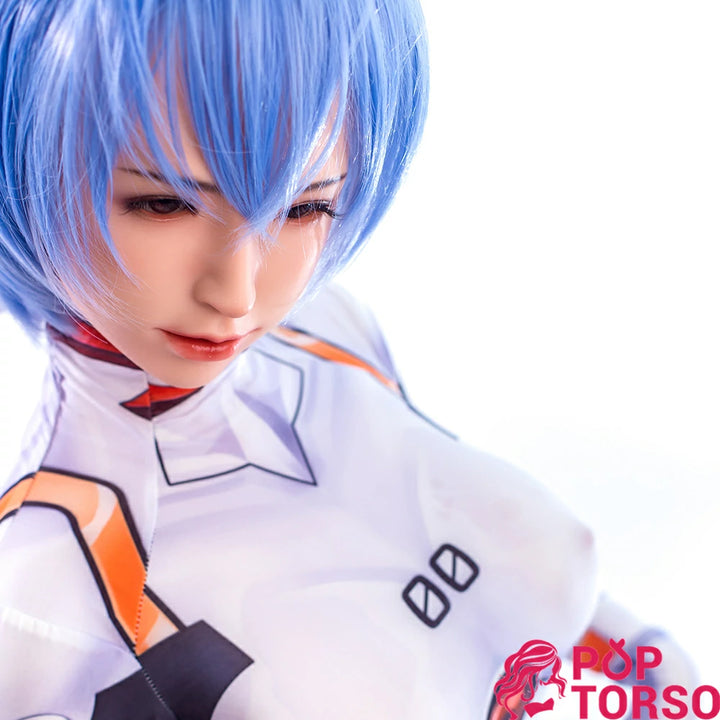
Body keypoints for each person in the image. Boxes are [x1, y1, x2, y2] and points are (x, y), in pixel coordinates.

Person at [0, 0, 597, 718]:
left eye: (304, 208)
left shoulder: (330, 331)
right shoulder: (44, 584)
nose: (238, 293)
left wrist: (658, 666)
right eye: (162, 204)